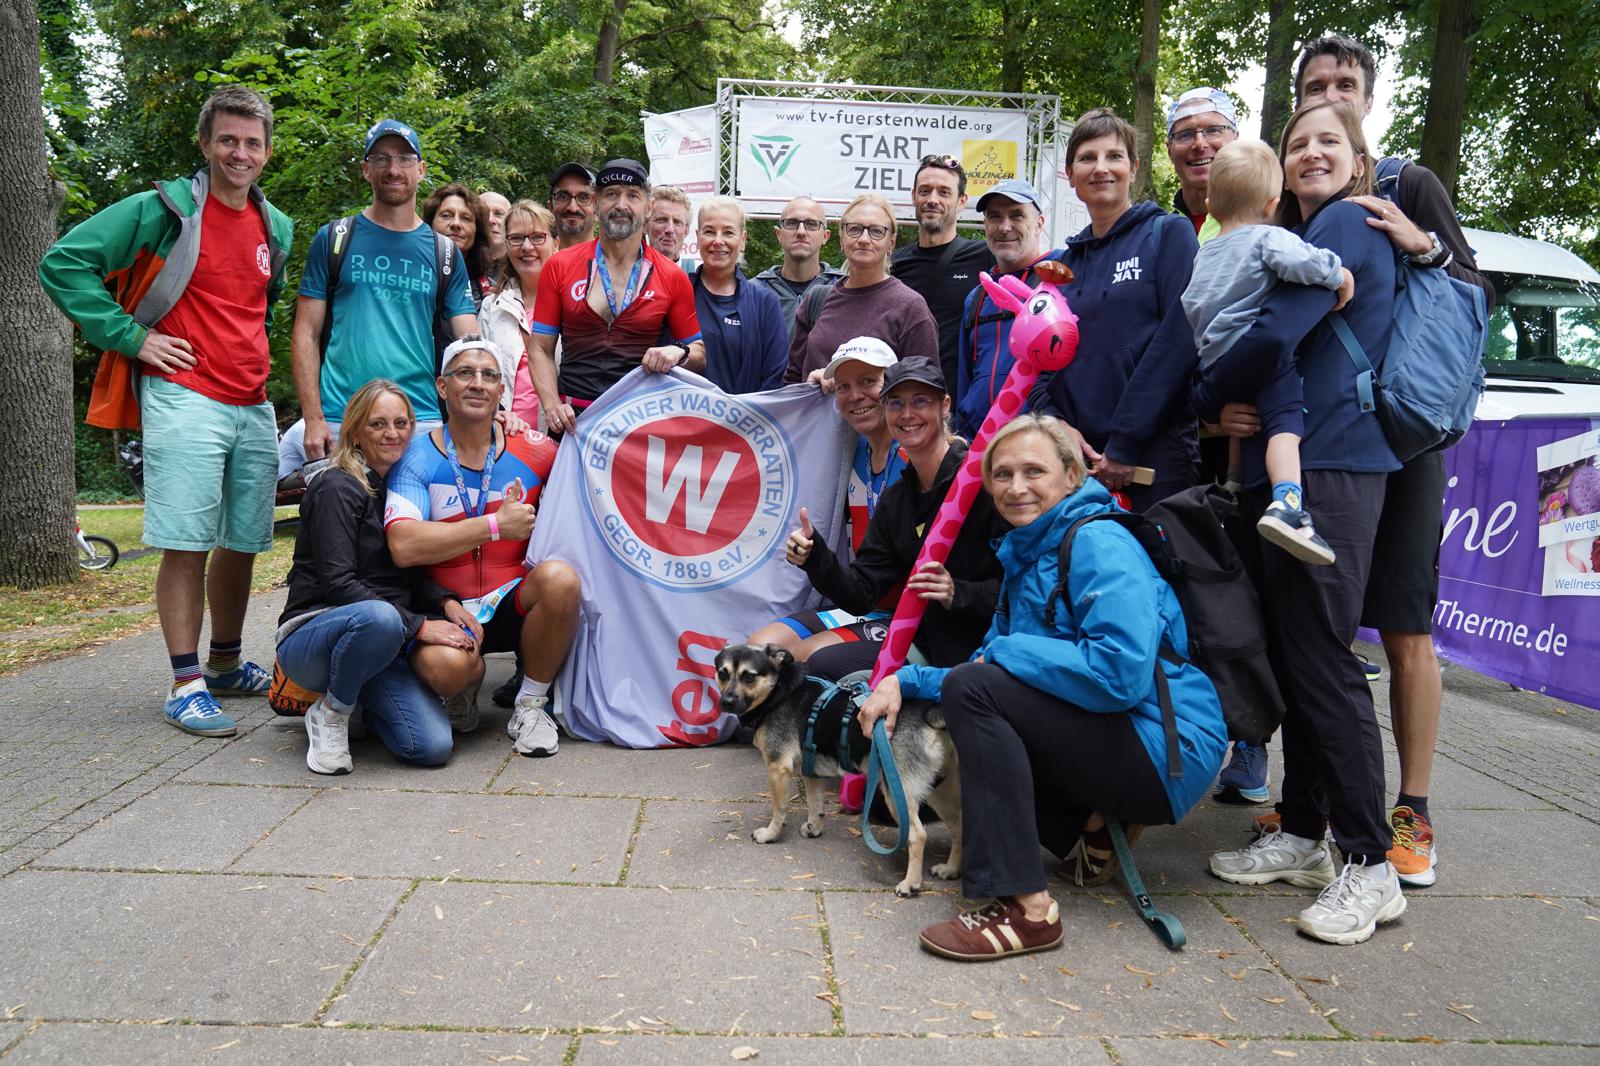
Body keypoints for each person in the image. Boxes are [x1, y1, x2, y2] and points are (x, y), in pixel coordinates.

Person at [859, 414, 1227, 960]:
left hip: (1168, 748)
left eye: (1034, 471)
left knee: (976, 693)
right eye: (1002, 474)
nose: (1017, 487)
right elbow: (987, 665)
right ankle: (1091, 823)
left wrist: (1005, 654)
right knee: (974, 690)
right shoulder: (1026, 556)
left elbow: (1119, 674)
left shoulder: (1098, 541)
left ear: (1072, 476)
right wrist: (902, 680)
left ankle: (1023, 908)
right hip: (1120, 732)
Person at [1284, 32, 1497, 889]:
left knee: (1405, 627)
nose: (1331, 93)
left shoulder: (1410, 185)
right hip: (1330, 443)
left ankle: (1411, 810)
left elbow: (1475, 299)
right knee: (1320, 630)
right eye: (1316, 85)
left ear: (1367, 103)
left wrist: (1427, 247)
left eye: (1345, 83)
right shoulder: (1297, 207)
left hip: (1406, 442)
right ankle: (1308, 810)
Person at [1199, 101, 1408, 945]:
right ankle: (1303, 833)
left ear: (1359, 158)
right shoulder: (1302, 234)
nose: (1312, 152)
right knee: (1299, 658)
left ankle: (1371, 864)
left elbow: (1273, 332)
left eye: (1331, 141)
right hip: (1300, 463)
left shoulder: (1349, 224)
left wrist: (1204, 392)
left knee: (1322, 661)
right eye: (1297, 143)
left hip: (1332, 464)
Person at [39, 85, 294, 737]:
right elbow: (64, 263)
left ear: (267, 151)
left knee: (243, 541)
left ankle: (225, 664)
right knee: (186, 542)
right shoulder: (164, 209)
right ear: (205, 143)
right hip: (185, 395)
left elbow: (257, 307)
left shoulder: (277, 226)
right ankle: (185, 685)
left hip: (251, 402)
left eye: (253, 142)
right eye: (228, 140)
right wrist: (133, 337)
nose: (240, 153)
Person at [384, 338, 577, 757]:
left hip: (512, 600)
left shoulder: (533, 448)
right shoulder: (414, 457)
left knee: (561, 579)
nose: (477, 383)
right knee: (449, 669)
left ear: (501, 391)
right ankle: (464, 685)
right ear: (442, 386)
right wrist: (494, 526)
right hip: (444, 607)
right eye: (465, 374)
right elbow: (403, 545)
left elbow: (591, 470)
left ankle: (530, 705)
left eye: (489, 376)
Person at [277, 380, 481, 774]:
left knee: (432, 747)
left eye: (401, 423)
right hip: (315, 635)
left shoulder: (398, 488)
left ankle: (358, 702)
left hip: (382, 642)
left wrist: (445, 601)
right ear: (355, 431)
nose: (392, 433)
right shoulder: (337, 486)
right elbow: (338, 584)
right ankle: (332, 712)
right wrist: (420, 626)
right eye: (378, 424)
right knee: (380, 617)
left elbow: (406, 570)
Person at [1184, 139, 1355, 568]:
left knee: (1243, 416)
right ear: (1272, 203)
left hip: (1213, 357)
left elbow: (1193, 305)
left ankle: (1233, 482)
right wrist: (1339, 275)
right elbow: (1304, 264)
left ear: (1211, 203)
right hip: (1255, 350)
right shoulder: (1268, 237)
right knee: (1285, 425)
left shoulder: (1203, 255)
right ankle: (1288, 505)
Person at [784, 356, 1005, 680]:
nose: (907, 414)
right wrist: (814, 556)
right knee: (817, 666)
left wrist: (957, 592)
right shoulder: (897, 500)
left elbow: (1023, 589)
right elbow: (862, 593)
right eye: (896, 403)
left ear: (945, 406)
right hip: (926, 645)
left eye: (920, 401)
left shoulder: (984, 483)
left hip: (990, 650)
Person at [1029, 108, 1201, 511]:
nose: (1101, 168)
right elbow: (1036, 362)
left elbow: (1179, 342)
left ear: (1134, 168)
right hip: (1075, 462)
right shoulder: (1060, 267)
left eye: (1114, 156)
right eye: (1087, 158)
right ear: (1070, 175)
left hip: (1155, 455)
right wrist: (1055, 425)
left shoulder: (1168, 234)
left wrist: (1126, 441)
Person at [288, 119, 479, 468]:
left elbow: (469, 345)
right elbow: (306, 332)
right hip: (341, 417)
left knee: (416, 507)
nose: (393, 169)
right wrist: (313, 417)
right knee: (333, 503)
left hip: (418, 420)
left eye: (405, 158)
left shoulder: (445, 253)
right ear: (366, 169)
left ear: (421, 170)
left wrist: (488, 407)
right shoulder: (334, 238)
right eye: (381, 158)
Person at [748, 337, 908, 655]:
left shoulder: (914, 454)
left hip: (910, 616)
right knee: (760, 648)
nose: (855, 395)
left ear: (893, 385)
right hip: (861, 602)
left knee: (808, 655)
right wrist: (815, 399)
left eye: (868, 381)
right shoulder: (849, 448)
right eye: (844, 386)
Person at [527, 158, 705, 434]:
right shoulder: (560, 265)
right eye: (611, 194)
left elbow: (699, 354)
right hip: (573, 423)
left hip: (636, 425)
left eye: (632, 195)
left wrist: (679, 352)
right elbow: (540, 348)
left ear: (648, 207)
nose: (621, 205)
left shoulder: (672, 276)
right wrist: (551, 405)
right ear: (596, 203)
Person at [782, 194, 939, 384]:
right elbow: (792, 381)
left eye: (876, 231)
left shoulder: (910, 308)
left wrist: (855, 384)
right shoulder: (817, 301)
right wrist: (809, 384)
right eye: (855, 229)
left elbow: (924, 389)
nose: (864, 239)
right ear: (841, 238)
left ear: (891, 242)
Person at [954, 178, 1062, 440]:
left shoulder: (1062, 277)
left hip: (1040, 443)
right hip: (978, 445)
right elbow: (965, 379)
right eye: (995, 216)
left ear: (1039, 223)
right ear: (985, 225)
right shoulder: (977, 297)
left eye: (1016, 215)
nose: (1004, 227)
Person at [890, 155, 993, 389]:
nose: (932, 200)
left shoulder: (986, 258)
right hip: (904, 396)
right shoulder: (893, 264)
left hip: (962, 400)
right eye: (925, 191)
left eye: (944, 192)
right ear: (914, 196)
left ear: (962, 201)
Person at [689, 195, 788, 392]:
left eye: (728, 232)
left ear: (742, 240)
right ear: (698, 237)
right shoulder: (679, 292)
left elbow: (775, 379)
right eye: (709, 232)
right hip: (686, 410)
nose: (718, 241)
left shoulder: (764, 303)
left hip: (748, 412)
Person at [478, 200, 556, 426]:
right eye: (516, 238)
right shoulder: (491, 307)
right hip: (505, 433)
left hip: (561, 434)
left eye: (537, 237)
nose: (527, 246)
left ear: (556, 244)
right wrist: (496, 413)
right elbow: (480, 372)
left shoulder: (573, 305)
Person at [750, 196, 844, 332]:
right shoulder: (753, 292)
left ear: (825, 236)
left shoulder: (843, 289)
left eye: (811, 224)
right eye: (792, 223)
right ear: (779, 234)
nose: (801, 232)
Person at [1166, 87, 1240, 242]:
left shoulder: (1269, 220)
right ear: (1170, 150)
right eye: (1185, 134)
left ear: (1235, 139)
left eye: (1213, 130)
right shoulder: (1159, 236)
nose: (1200, 144)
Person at [423, 183, 495, 303]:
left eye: (466, 218)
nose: (456, 224)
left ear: (477, 231)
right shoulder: (410, 276)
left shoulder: (490, 293)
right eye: (446, 215)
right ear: (430, 224)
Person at [549, 162, 597, 251]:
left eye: (583, 197)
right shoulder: (539, 257)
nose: (573, 208)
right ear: (551, 207)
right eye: (563, 197)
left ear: (597, 210)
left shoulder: (612, 258)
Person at [647, 185, 693, 264]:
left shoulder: (697, 270)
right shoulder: (630, 269)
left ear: (686, 230)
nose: (670, 229)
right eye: (661, 220)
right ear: (645, 225)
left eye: (677, 222)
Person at [480, 190, 511, 261]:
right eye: (484, 213)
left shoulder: (523, 262)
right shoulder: (458, 260)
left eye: (498, 214)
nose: (490, 220)